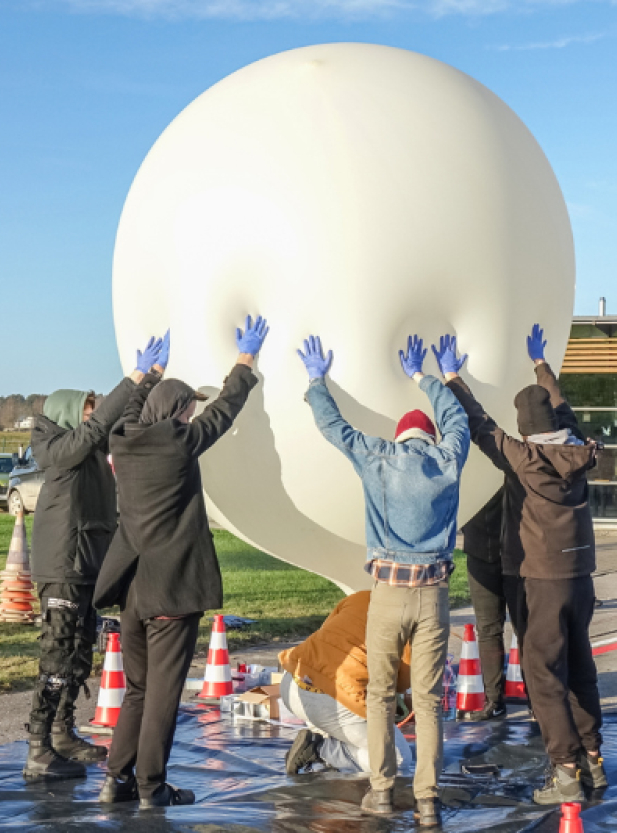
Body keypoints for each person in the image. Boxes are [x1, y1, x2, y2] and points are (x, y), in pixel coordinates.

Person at [93, 315, 268, 808]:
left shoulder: (123, 442)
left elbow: (131, 412)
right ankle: (151, 787)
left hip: (132, 593)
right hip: (171, 591)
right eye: (188, 414)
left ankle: (117, 780)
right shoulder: (177, 444)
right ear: (175, 416)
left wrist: (146, 374)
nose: (191, 420)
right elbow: (225, 412)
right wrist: (246, 359)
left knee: (137, 691)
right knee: (162, 698)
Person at [298, 333, 469, 828]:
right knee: (430, 699)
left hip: (388, 595)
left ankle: (379, 791)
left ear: (399, 436)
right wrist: (425, 376)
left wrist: (316, 379)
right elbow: (458, 419)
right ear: (429, 436)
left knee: (378, 694)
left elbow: (334, 428)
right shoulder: (447, 457)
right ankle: (429, 800)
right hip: (434, 596)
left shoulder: (376, 457)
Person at [440, 326, 606, 806]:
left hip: (543, 581)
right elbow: (561, 405)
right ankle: (594, 759)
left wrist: (451, 375)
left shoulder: (525, 458)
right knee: (581, 667)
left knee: (542, 674)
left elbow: (479, 424)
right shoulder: (577, 448)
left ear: (525, 427)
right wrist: (541, 365)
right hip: (581, 578)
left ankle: (566, 770)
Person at [22, 332, 167, 782]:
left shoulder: (88, 451)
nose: (94, 418)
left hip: (87, 564)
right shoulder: (58, 452)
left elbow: (116, 419)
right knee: (58, 655)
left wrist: (149, 382)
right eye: (87, 410)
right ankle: (37, 747)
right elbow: (92, 430)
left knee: (80, 654)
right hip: (63, 567)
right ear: (70, 416)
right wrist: (134, 375)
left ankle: (63, 732)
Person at [279, 591, 415, 775]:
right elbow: (401, 683)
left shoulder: (361, 597)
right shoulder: (413, 622)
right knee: (396, 759)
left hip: (292, 681)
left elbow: (327, 634)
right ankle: (319, 749)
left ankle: (324, 737)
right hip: (331, 700)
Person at [458, 488, 509, 720]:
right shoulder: (468, 460)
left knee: (527, 627)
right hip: (480, 552)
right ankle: (494, 699)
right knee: (488, 629)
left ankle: (538, 699)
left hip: (518, 553)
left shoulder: (516, 456)